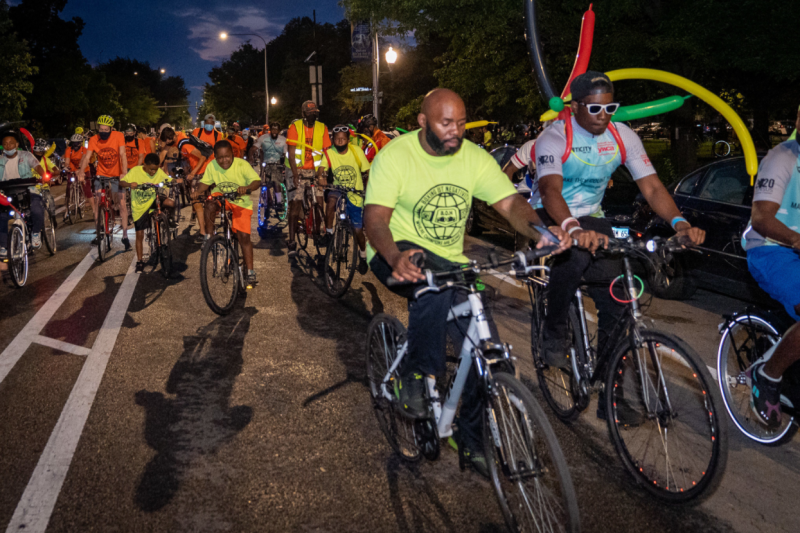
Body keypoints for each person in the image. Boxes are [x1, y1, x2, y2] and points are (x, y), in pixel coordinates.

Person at [364, 88, 570, 474]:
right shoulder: (396, 156)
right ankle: (414, 376)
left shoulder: (473, 157)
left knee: (480, 349)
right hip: (395, 249)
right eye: (446, 123)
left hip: (451, 259)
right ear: (423, 122)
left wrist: (541, 232)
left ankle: (472, 441)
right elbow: (375, 218)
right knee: (431, 284)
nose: (455, 130)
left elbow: (509, 203)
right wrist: (393, 256)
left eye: (460, 122)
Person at [531, 71, 705, 411]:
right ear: (576, 106)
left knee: (619, 300)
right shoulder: (554, 137)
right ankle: (554, 332)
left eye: (610, 107)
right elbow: (551, 190)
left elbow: (652, 187)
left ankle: (612, 393)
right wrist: (570, 228)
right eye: (595, 109)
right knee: (575, 256)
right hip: (551, 216)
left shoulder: (622, 135)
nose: (604, 116)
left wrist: (680, 224)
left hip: (593, 219)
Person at [741, 106, 800, 428]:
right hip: (773, 250)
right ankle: (768, 374)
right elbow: (761, 218)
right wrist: (795, 238)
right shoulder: (783, 158)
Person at [194, 140, 261, 286]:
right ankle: (209, 238)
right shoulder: (212, 166)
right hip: (222, 198)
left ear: (233, 154)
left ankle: (250, 271)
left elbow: (256, 181)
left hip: (240, 202)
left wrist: (247, 187)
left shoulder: (242, 165)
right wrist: (198, 191)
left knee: (244, 237)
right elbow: (205, 182)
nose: (224, 160)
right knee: (210, 203)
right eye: (220, 158)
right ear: (215, 157)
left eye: (227, 156)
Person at [318, 125, 370, 274]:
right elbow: (321, 169)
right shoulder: (329, 153)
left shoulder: (357, 151)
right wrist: (321, 177)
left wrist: (367, 190)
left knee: (358, 229)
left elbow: (367, 171)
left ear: (348, 140)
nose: (340, 142)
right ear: (333, 140)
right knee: (331, 203)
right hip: (337, 188)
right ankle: (328, 234)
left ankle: (362, 256)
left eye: (343, 139)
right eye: (337, 139)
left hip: (355, 192)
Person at [78, 114, 131, 250]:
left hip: (117, 175)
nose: (103, 132)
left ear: (111, 129)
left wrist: (124, 173)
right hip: (101, 174)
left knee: (122, 203)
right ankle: (100, 230)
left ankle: (125, 235)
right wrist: (81, 172)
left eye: (106, 130)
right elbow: (87, 156)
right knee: (97, 201)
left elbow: (122, 155)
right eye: (101, 129)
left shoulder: (119, 136)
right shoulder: (94, 139)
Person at [286, 101, 331, 256]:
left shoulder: (322, 128)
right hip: (298, 169)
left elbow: (326, 152)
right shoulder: (295, 127)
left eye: (315, 112)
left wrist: (322, 174)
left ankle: (317, 233)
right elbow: (291, 154)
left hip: (316, 170)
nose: (313, 115)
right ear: (304, 113)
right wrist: (295, 174)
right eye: (310, 112)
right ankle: (291, 241)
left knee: (319, 202)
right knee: (296, 203)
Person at [119, 153, 176, 273]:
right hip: (139, 207)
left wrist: (175, 180)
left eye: (155, 170)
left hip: (153, 200)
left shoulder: (158, 171)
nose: (153, 172)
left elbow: (168, 180)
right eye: (151, 169)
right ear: (144, 165)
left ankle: (168, 220)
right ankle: (139, 261)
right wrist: (130, 185)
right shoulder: (135, 171)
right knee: (140, 235)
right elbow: (121, 183)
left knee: (171, 203)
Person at [0, 131, 48, 252]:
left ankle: (36, 233)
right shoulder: (0, 160)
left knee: (36, 209)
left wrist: (43, 175)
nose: (8, 146)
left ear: (16, 145)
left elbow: (37, 166)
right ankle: (3, 246)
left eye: (11, 143)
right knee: (2, 217)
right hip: (7, 194)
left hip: (28, 190)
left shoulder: (26, 156)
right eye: (5, 144)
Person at [159, 127, 209, 239]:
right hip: (198, 168)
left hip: (202, 170)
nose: (167, 144)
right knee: (200, 200)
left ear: (170, 138)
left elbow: (202, 157)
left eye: (167, 141)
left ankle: (203, 232)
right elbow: (164, 152)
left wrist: (193, 173)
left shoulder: (184, 144)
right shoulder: (177, 136)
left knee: (196, 200)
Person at [255, 122, 288, 212]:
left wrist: (284, 163)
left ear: (278, 131)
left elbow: (285, 154)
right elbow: (257, 149)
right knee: (264, 183)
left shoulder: (283, 140)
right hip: (266, 163)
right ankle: (267, 200)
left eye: (276, 129)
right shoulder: (263, 138)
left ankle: (279, 201)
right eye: (273, 129)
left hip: (277, 164)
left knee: (276, 182)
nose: (274, 131)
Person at [63, 133, 95, 219]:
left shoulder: (84, 150)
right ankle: (66, 210)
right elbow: (67, 161)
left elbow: (84, 160)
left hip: (84, 170)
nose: (76, 145)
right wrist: (68, 168)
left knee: (87, 189)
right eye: (74, 143)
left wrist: (80, 170)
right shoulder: (68, 150)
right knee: (68, 188)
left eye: (77, 143)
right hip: (73, 170)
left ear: (81, 143)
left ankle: (94, 210)